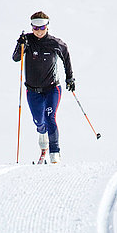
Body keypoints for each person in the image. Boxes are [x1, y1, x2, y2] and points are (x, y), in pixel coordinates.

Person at [12, 11, 75, 164]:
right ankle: (42, 137)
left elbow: (66, 55)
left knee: (50, 118)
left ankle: (55, 155)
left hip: (52, 89)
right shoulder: (26, 40)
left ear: (47, 26)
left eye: (42, 28)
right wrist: (20, 45)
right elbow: (16, 58)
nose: (39, 31)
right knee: (39, 121)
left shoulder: (55, 43)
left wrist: (70, 77)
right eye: (35, 28)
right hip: (32, 90)